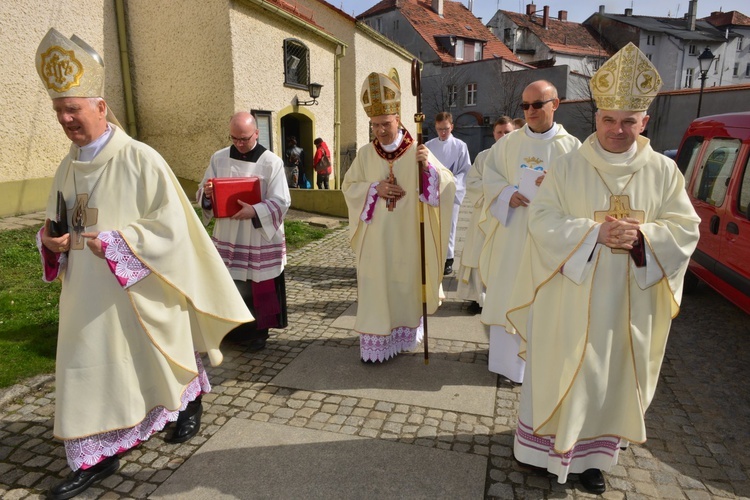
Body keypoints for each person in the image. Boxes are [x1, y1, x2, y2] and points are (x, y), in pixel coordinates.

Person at [34, 29, 252, 500]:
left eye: (74, 108)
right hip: (86, 292)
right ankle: (97, 454)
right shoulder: (67, 166)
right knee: (88, 364)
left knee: (161, 347)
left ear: (101, 106)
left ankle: (190, 402)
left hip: (139, 283)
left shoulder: (140, 158)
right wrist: (49, 240)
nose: (67, 119)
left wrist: (119, 241)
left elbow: (174, 226)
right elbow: (58, 220)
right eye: (59, 111)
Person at [506, 43, 700, 493]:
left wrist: (643, 237)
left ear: (644, 121)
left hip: (628, 304)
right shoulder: (568, 166)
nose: (618, 129)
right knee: (562, 368)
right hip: (569, 295)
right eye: (609, 119)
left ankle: (592, 461)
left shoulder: (664, 172)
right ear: (596, 118)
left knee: (607, 379)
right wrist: (592, 233)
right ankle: (539, 451)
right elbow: (542, 219)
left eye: (628, 121)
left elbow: (686, 229)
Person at [342, 72, 455, 362]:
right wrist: (374, 188)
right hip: (375, 242)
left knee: (404, 285)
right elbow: (348, 186)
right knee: (376, 287)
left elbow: (447, 183)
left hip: (407, 237)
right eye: (375, 125)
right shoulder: (366, 154)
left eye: (385, 124)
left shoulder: (417, 150)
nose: (380, 130)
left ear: (398, 120)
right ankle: (376, 342)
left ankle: (404, 338)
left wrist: (427, 168)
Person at [479, 81, 580, 385]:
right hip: (512, 236)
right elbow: (489, 176)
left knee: (542, 300)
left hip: (548, 243)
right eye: (525, 106)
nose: (531, 111)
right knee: (509, 292)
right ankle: (507, 365)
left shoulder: (573, 148)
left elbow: (583, 196)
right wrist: (506, 192)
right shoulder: (508, 143)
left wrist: (557, 185)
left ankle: (539, 368)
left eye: (538, 104)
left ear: (555, 104)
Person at [198, 112, 291, 352]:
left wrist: (256, 211)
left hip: (257, 235)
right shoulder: (219, 158)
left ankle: (257, 334)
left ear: (257, 133)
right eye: (235, 138)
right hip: (229, 233)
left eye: (245, 138)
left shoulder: (271, 162)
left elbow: (282, 200)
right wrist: (207, 195)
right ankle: (231, 330)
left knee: (257, 285)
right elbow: (204, 190)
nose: (239, 144)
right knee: (230, 284)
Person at [457, 116, 515, 314]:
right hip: (485, 213)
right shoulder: (483, 156)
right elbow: (472, 182)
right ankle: (477, 298)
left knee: (503, 257)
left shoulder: (519, 156)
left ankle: (502, 298)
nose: (503, 136)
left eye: (507, 132)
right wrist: (495, 194)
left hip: (511, 215)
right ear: (494, 134)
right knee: (480, 254)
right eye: (499, 132)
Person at [425, 111, 471, 275]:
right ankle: (433, 256)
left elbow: (465, 170)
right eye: (439, 129)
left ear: (452, 126)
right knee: (433, 224)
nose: (443, 133)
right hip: (432, 192)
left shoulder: (460, 146)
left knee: (450, 225)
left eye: (445, 129)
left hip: (450, 191)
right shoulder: (429, 146)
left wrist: (450, 184)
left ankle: (448, 259)